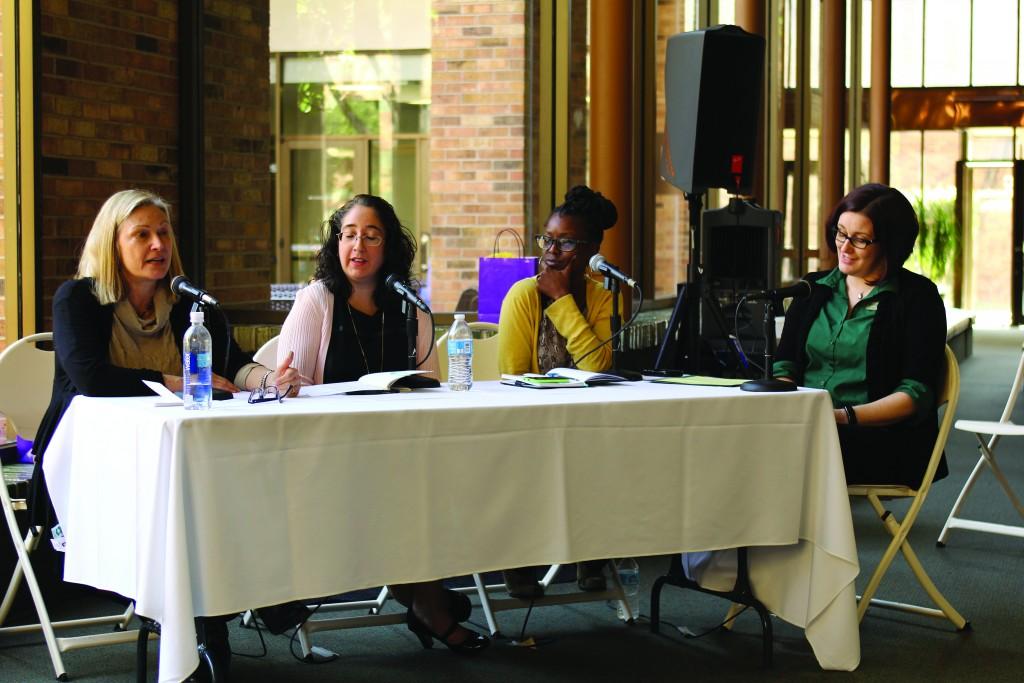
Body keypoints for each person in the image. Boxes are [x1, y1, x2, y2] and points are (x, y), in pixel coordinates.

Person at [30, 188, 307, 679]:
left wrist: (270, 381)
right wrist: (169, 381)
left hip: (175, 452)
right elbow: (91, 377)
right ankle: (214, 623)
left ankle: (237, 606)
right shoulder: (79, 298)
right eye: (142, 234)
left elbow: (232, 366)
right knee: (193, 501)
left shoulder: (186, 304)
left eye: (163, 233)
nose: (157, 244)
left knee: (229, 484)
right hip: (94, 456)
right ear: (113, 243)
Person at [277, 194, 488, 654]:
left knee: (426, 479)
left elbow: (430, 385)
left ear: (389, 246)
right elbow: (285, 386)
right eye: (349, 235)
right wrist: (288, 383)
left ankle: (421, 596)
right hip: (326, 453)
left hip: (394, 449)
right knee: (404, 489)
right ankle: (427, 602)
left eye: (371, 237)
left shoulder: (409, 305)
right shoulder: (317, 300)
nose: (358, 246)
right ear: (335, 243)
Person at [774, 183, 948, 488]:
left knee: (770, 454)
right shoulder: (813, 288)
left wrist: (841, 417)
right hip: (806, 426)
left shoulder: (918, 298)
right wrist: (785, 408)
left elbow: (915, 394)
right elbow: (785, 366)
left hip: (881, 439)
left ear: (890, 245)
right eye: (841, 233)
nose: (844, 246)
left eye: (860, 239)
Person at [496, 185, 618, 599]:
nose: (551, 250)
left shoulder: (601, 299)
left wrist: (564, 299)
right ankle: (518, 561)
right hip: (529, 419)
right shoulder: (522, 296)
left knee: (606, 447)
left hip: (586, 422)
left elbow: (598, 367)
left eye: (565, 241)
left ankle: (592, 552)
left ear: (591, 248)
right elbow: (511, 377)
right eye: (547, 238)